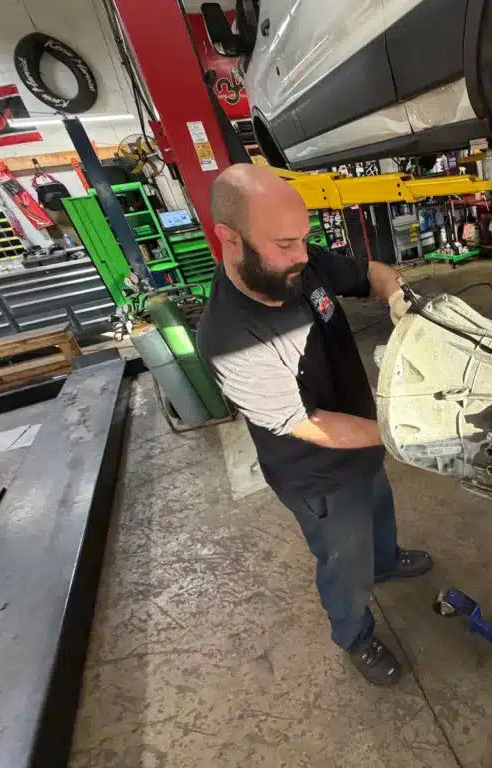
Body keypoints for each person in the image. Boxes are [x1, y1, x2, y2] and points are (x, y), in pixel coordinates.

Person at [196, 164, 432, 686]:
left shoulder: (300, 263)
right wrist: (409, 428)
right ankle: (355, 635)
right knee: (345, 561)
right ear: (229, 239)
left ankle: (387, 561)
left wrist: (398, 295)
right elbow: (309, 424)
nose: (302, 255)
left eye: (304, 238)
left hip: (363, 438)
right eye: (285, 244)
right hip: (317, 475)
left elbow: (369, 274)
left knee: (379, 507)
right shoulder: (231, 338)